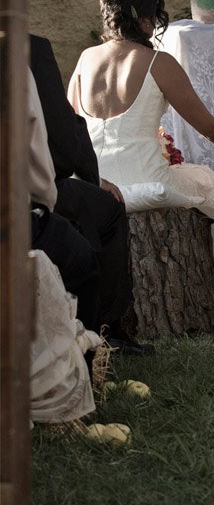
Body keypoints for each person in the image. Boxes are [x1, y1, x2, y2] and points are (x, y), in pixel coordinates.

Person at [67, 0, 214, 323]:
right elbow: (211, 128)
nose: (155, 22)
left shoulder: (85, 59)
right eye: (154, 14)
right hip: (145, 181)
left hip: (95, 184)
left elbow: (70, 131)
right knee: (211, 185)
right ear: (142, 16)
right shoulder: (158, 63)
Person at [29, 33, 146, 354]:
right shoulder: (26, 48)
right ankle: (101, 336)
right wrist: (91, 177)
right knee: (106, 209)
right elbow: (62, 138)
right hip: (18, 199)